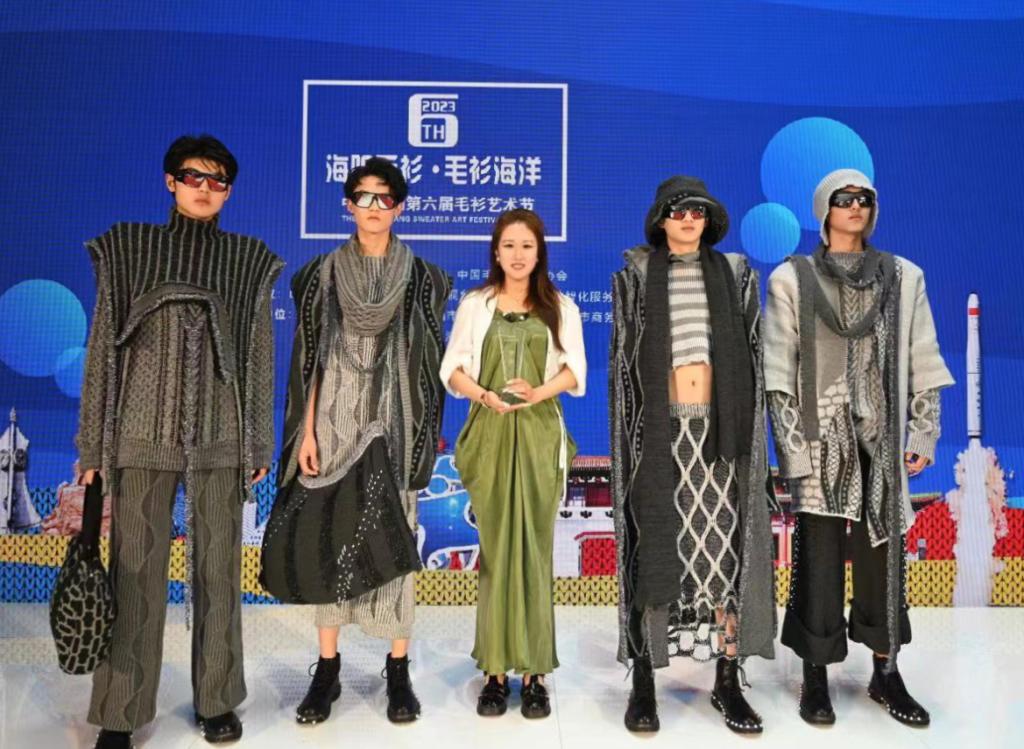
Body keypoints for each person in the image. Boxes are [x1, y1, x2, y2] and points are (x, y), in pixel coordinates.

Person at [76, 134, 282, 748]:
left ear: (229, 192)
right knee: (134, 575)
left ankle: (217, 700)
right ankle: (120, 713)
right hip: (140, 437)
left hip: (220, 440)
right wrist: (93, 448)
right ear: (171, 181)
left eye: (218, 181)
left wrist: (257, 444)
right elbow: (102, 350)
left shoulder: (247, 260)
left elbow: (258, 356)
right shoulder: (129, 248)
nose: (205, 189)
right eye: (194, 177)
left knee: (218, 573)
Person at [764, 169, 953, 727]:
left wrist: (923, 430)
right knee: (818, 560)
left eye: (864, 198)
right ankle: (815, 675)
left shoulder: (904, 277)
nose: (855, 206)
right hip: (819, 438)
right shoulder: (791, 279)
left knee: (883, 562)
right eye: (844, 199)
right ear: (824, 210)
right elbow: (779, 371)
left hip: (881, 437)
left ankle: (886, 672)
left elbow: (924, 356)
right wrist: (792, 450)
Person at [280, 157, 450, 726]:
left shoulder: (423, 277)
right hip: (332, 420)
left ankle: (398, 670)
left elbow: (428, 366)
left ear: (399, 207)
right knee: (329, 539)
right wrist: (306, 430)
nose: (374, 207)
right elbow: (308, 360)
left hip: (394, 424)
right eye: (363, 196)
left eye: (384, 197)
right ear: (348, 204)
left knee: (395, 540)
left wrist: (421, 431)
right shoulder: (321, 274)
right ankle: (326, 670)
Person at [610, 176, 777, 735]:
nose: (688, 219)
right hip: (660, 434)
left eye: (698, 211)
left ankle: (728, 679)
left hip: (721, 433)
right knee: (656, 546)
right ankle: (644, 678)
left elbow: (754, 354)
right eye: (678, 211)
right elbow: (623, 367)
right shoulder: (636, 275)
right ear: (661, 220)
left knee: (725, 553)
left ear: (709, 220)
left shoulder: (734, 274)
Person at [441, 209, 586, 719]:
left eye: (527, 245)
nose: (518, 254)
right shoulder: (475, 304)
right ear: (496, 252)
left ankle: (536, 673)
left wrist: (536, 394)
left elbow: (575, 371)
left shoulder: (561, 307)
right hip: (490, 435)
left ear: (540, 251)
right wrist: (484, 395)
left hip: (541, 436)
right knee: (498, 552)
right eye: (509, 245)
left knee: (535, 553)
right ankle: (495, 672)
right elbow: (452, 369)